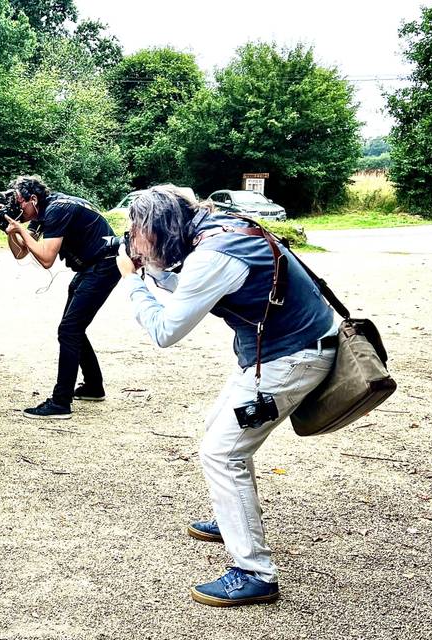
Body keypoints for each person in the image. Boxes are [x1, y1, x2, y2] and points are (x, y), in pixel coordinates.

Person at [116, 185, 339, 607]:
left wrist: (133, 283)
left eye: (137, 231)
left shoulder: (211, 255)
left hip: (292, 358)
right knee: (219, 427)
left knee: (222, 452)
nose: (133, 239)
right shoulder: (220, 229)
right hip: (285, 349)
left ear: (161, 228)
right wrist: (158, 275)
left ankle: (254, 572)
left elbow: (166, 332)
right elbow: (202, 288)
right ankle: (229, 516)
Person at [2, 175, 121, 420]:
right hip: (91, 267)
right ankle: (94, 387)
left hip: (104, 265)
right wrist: (11, 232)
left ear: (33, 199)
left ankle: (60, 402)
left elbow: (46, 259)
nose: (18, 208)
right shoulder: (41, 211)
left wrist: (21, 229)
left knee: (69, 330)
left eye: (20, 203)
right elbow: (21, 253)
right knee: (72, 329)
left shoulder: (57, 209)